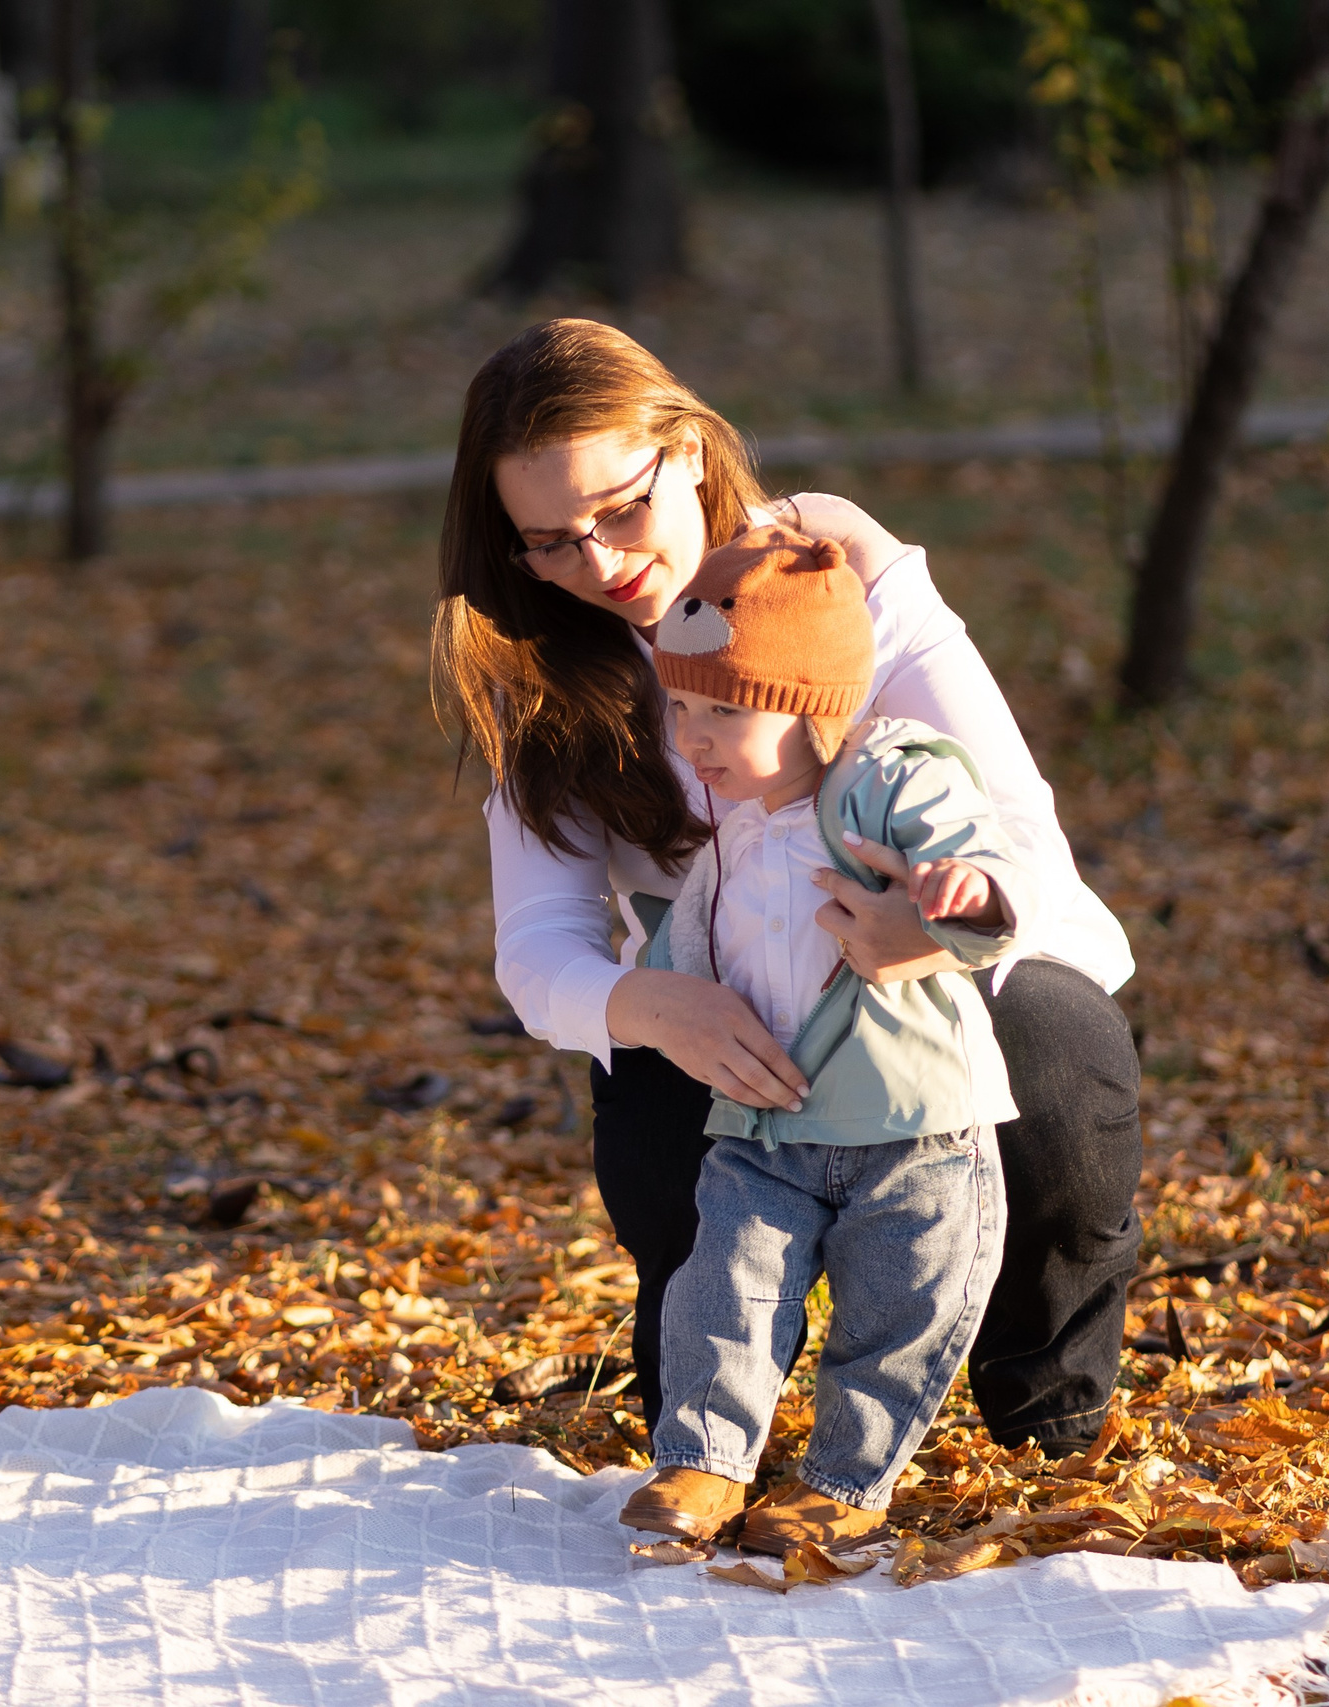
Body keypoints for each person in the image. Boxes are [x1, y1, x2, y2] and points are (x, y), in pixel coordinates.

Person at [432, 318, 1143, 1455]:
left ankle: (1045, 1413)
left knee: (1055, 1059)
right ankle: (718, 1440)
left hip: (932, 966)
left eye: (621, 509)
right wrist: (658, 1007)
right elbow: (538, 950)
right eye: (553, 541)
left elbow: (1016, 832)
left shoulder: (835, 573)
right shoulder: (540, 677)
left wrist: (931, 931)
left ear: (692, 452)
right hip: (731, 1000)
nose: (603, 564)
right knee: (662, 1129)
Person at [612, 524, 1020, 1554]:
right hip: (768, 1118)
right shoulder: (731, 829)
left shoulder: (883, 776)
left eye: (723, 710)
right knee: (724, 1288)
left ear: (809, 706)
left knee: (900, 1307)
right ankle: (703, 1464)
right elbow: (680, 947)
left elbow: (969, 839)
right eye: (682, 708)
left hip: (913, 1120)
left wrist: (956, 891)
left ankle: (844, 1478)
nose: (693, 737)